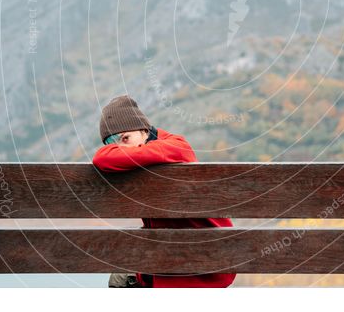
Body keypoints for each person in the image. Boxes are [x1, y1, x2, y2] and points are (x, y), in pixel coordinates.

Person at [93, 94, 237, 288]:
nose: (121, 149)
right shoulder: (154, 152)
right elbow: (104, 157)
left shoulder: (176, 146)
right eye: (114, 145)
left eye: (125, 138)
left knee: (123, 273)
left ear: (144, 130)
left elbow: (101, 158)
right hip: (183, 256)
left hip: (202, 266)